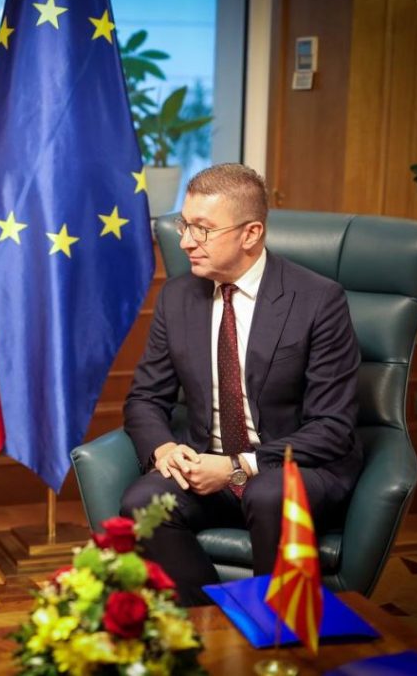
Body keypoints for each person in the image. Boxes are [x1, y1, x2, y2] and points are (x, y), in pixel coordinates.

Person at [121, 163, 361, 606]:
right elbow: (145, 398)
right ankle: (212, 619)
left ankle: (276, 627)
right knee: (144, 500)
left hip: (292, 467)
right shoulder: (177, 296)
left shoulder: (317, 300)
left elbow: (332, 428)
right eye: (185, 225)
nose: (185, 241)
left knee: (270, 494)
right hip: (205, 466)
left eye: (202, 229)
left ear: (251, 234)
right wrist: (165, 450)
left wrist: (236, 466)